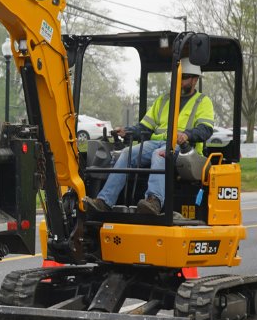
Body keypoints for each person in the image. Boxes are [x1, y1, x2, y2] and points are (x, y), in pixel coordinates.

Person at [84, 58, 214, 215]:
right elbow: (145, 127)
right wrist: (127, 131)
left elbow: (205, 129)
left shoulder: (203, 102)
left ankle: (154, 201)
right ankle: (105, 201)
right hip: (157, 142)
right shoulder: (164, 100)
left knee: (159, 155)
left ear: (195, 79)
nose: (179, 80)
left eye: (184, 77)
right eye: (177, 77)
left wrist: (187, 134)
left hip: (186, 149)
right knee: (127, 153)